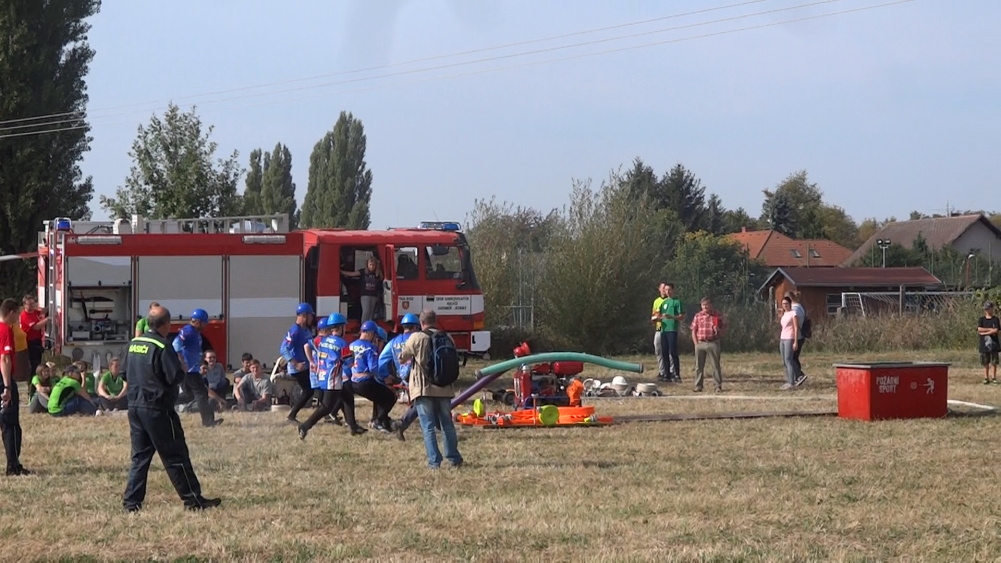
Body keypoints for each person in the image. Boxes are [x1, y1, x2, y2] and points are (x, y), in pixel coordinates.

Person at [123, 304, 221, 512]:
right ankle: (193, 500)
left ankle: (131, 503)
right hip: (158, 408)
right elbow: (175, 377)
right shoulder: (161, 346)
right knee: (175, 455)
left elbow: (125, 374)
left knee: (140, 457)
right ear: (166, 324)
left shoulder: (134, 343)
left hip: (135, 406)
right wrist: (182, 368)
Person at [398, 310, 463, 469]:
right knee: (447, 424)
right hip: (445, 387)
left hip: (424, 388)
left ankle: (434, 462)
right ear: (436, 320)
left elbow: (402, 358)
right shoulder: (448, 337)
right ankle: (454, 457)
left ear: (421, 323)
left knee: (427, 426)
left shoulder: (416, 337)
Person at [298, 313, 365, 439]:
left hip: (323, 376)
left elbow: (308, 345)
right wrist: (354, 357)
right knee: (326, 407)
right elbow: (349, 363)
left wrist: (312, 361)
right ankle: (305, 426)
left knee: (348, 397)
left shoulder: (321, 340)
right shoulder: (342, 343)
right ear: (340, 328)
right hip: (333, 379)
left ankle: (353, 427)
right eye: (344, 327)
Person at [172, 308, 221, 427]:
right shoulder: (188, 331)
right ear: (198, 322)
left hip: (192, 368)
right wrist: (181, 361)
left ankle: (166, 402)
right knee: (201, 393)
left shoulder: (195, 332)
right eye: (204, 323)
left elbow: (195, 350)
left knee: (188, 395)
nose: (205, 326)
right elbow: (176, 344)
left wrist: (201, 362)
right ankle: (208, 421)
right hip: (189, 370)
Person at [350, 321, 397, 433]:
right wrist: (385, 377)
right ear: (371, 334)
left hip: (353, 381)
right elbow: (373, 368)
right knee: (390, 397)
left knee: (379, 396)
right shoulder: (370, 347)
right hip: (365, 381)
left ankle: (382, 421)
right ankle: (378, 421)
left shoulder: (352, 345)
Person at [0, 299, 29, 476]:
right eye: (17, 313)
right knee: (10, 424)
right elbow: (5, 359)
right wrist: (7, 387)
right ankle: (13, 466)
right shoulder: (5, 330)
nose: (18, 317)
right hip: (3, 379)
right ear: (11, 312)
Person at [281, 303, 316, 424]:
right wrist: (295, 364)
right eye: (310, 315)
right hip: (298, 368)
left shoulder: (306, 330)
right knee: (309, 390)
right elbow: (284, 349)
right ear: (304, 316)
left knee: (314, 389)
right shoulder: (295, 331)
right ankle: (292, 415)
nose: (312, 318)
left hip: (306, 366)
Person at [690, 297, 725, 393]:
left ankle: (717, 386)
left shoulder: (717, 315)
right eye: (703, 305)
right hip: (700, 343)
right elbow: (693, 330)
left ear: (711, 305)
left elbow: (724, 327)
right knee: (699, 366)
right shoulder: (698, 316)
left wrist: (719, 331)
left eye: (707, 304)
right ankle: (698, 386)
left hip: (713, 342)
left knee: (715, 365)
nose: (705, 307)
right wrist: (696, 344)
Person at [342, 257, 383, 323]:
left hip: (374, 295)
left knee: (371, 313)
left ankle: (370, 326)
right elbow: (352, 274)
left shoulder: (377, 273)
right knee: (366, 311)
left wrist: (379, 270)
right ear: (367, 265)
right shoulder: (363, 271)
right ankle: (363, 326)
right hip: (365, 295)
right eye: (370, 265)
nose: (372, 266)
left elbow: (382, 278)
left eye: (373, 265)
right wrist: (341, 271)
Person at [658, 283, 684, 383]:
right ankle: (667, 374)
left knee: (672, 351)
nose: (667, 292)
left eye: (669, 289)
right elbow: (660, 316)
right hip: (663, 329)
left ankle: (677, 374)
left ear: (673, 290)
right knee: (664, 352)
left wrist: (672, 317)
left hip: (672, 329)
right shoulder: (664, 302)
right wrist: (657, 319)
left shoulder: (677, 302)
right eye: (666, 290)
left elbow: (681, 316)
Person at [19, 294, 47, 378]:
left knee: (38, 362)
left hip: (37, 341)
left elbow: (42, 312)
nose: (32, 305)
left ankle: (35, 380)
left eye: (33, 303)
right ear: (24, 305)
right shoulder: (24, 315)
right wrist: (48, 319)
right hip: (30, 342)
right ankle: (32, 382)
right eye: (30, 304)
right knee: (34, 365)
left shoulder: (34, 312)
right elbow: (36, 327)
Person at [778, 296, 801, 390]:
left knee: (788, 360)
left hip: (789, 338)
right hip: (782, 338)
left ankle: (792, 382)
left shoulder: (793, 313)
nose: (785, 305)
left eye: (786, 303)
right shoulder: (784, 314)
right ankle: (788, 380)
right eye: (783, 304)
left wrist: (795, 341)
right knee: (784, 361)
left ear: (790, 304)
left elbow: (796, 328)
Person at [786, 291, 808, 384]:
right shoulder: (800, 307)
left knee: (790, 358)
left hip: (796, 337)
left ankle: (799, 375)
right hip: (801, 336)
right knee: (794, 357)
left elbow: (795, 324)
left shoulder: (794, 310)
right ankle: (797, 376)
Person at [978, 301, 1000, 384]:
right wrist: (990, 330)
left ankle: (993, 377)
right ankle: (986, 378)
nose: (987, 310)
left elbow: (996, 330)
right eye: (986, 309)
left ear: (992, 309)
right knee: (985, 361)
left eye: (988, 308)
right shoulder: (981, 319)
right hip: (984, 344)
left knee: (994, 362)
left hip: (994, 344)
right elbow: (979, 329)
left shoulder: (995, 319)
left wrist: (985, 333)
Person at [650, 283, 668, 382]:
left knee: (668, 350)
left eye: (666, 288)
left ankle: (670, 371)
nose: (664, 290)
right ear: (659, 289)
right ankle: (662, 371)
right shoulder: (656, 301)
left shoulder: (669, 301)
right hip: (659, 327)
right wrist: (654, 319)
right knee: (658, 349)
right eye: (662, 288)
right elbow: (653, 314)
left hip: (667, 328)